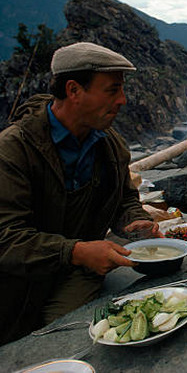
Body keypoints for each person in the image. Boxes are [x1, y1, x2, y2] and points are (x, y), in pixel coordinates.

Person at [0, 42, 160, 345]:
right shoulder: (13, 149)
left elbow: (124, 198)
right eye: (112, 90)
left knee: (69, 340)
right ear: (73, 90)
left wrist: (135, 219)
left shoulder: (109, 144)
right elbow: (5, 238)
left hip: (77, 273)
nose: (122, 101)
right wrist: (76, 251)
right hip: (18, 284)